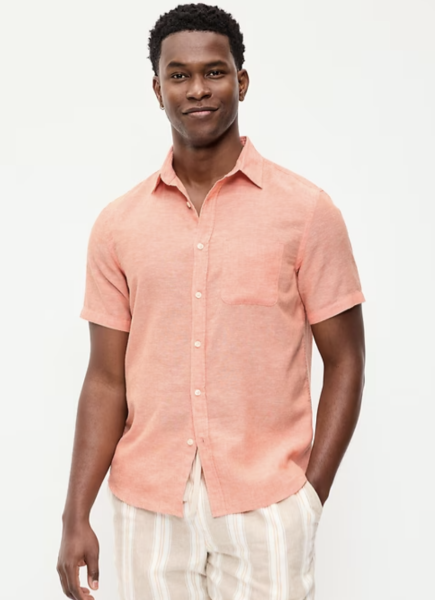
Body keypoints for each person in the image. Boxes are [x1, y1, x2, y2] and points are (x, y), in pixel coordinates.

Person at [57, 4, 366, 599]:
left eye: (214, 72)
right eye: (178, 75)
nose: (197, 89)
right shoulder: (118, 226)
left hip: (267, 504)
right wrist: (75, 514)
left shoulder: (305, 212)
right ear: (158, 90)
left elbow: (347, 359)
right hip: (148, 509)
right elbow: (105, 379)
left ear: (241, 81)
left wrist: (309, 496)